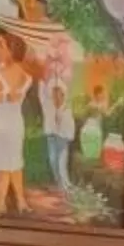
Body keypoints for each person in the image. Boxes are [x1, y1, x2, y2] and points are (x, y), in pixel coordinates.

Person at [0, 31, 32, 215]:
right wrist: (4, 96)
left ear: (13, 50)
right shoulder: (3, 72)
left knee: (14, 162)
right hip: (0, 121)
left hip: (13, 122)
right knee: (3, 163)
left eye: (3, 46)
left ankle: (19, 201)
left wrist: (4, 96)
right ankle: (2, 203)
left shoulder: (23, 75)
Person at [38, 63, 77, 192]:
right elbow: (41, 94)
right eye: (54, 93)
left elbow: (69, 126)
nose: (56, 96)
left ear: (63, 94)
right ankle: (59, 184)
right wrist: (44, 79)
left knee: (61, 162)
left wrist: (63, 132)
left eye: (59, 93)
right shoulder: (47, 105)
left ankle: (66, 185)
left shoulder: (66, 108)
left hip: (62, 138)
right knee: (53, 160)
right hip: (51, 136)